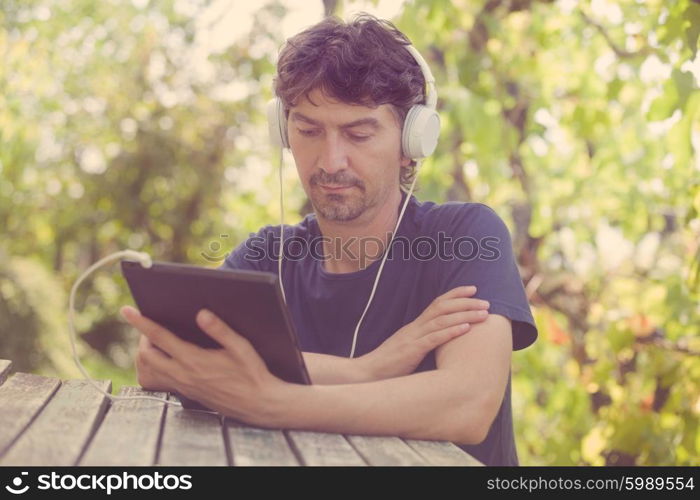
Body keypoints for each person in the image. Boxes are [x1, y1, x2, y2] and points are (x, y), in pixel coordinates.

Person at [120, 14, 538, 466]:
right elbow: (159, 359)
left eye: (358, 133)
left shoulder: (466, 237)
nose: (331, 160)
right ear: (283, 131)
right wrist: (365, 370)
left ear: (411, 141)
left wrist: (272, 402)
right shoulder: (266, 257)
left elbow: (466, 404)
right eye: (308, 131)